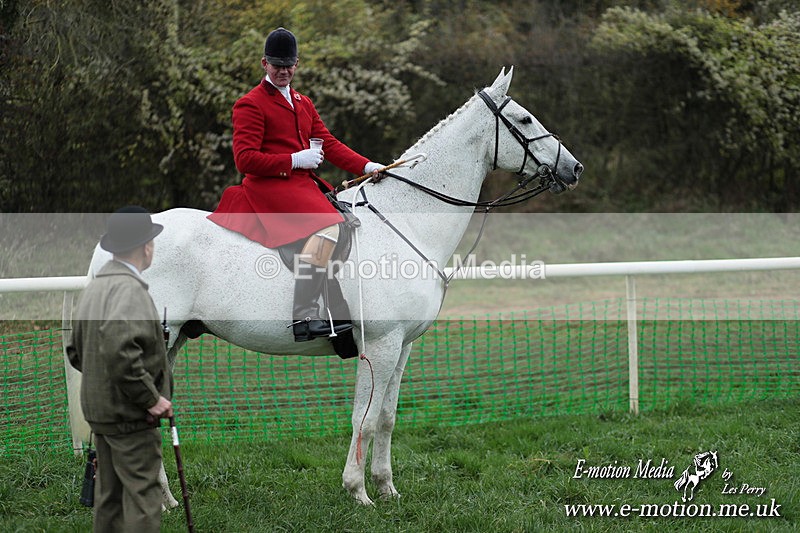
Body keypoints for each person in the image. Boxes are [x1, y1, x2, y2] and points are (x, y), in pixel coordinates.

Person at [208, 27, 385, 342]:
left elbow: (328, 143)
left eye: (288, 65)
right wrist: (293, 160)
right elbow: (244, 160)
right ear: (264, 63)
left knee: (346, 222)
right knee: (329, 227)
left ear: (297, 63)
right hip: (269, 188)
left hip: (302, 187)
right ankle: (304, 314)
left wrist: (367, 165)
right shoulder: (250, 103)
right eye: (276, 65)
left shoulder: (304, 103)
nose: (283, 71)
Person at [67, 206, 173, 533]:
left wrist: (103, 381)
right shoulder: (130, 291)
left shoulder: (96, 287)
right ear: (146, 247)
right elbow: (120, 351)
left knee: (109, 499)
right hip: (130, 417)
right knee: (143, 495)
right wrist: (151, 399)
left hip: (100, 414)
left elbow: (75, 350)